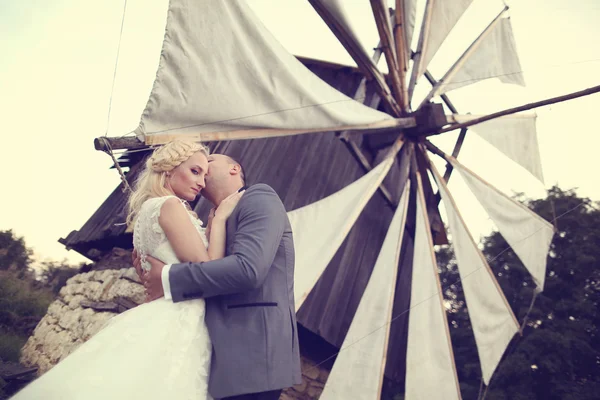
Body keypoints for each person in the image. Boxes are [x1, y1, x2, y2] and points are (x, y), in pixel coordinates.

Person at [11, 139, 242, 400]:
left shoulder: (149, 209)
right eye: (195, 171)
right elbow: (206, 269)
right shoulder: (170, 205)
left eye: (204, 174)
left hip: (163, 309)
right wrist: (221, 217)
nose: (201, 182)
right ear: (169, 168)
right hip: (180, 318)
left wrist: (210, 224)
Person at [139, 150, 302, 399]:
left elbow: (248, 270)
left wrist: (168, 278)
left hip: (253, 351)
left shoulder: (258, 197)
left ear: (234, 168)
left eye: (209, 164)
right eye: (196, 170)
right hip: (212, 354)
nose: (202, 172)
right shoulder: (213, 219)